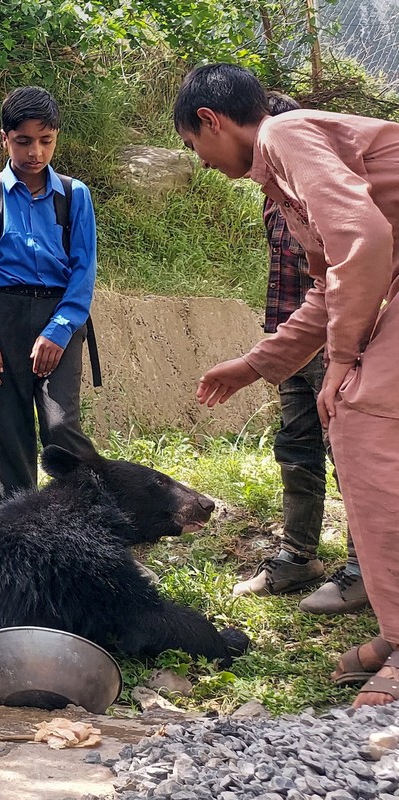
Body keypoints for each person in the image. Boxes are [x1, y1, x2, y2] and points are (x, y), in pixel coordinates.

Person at [175, 63, 399, 707]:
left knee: (360, 417)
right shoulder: (281, 181)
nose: (205, 162)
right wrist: (253, 365)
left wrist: (342, 362)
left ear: (211, 122)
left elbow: (365, 237)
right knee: (362, 418)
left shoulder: (286, 133)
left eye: (196, 146)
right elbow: (331, 287)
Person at [231, 91, 367, 615]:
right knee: (296, 444)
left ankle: (362, 570)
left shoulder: (324, 186)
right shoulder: (275, 194)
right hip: (289, 334)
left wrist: (343, 349)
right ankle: (297, 556)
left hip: (337, 339)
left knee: (348, 452)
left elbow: (352, 267)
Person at [0, 86, 98, 502]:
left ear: (56, 138)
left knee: (61, 425)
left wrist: (59, 330)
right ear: (5, 138)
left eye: (45, 141)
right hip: (2, 319)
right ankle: (14, 531)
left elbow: (83, 270)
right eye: (23, 141)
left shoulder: (75, 196)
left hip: (59, 316)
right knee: (8, 432)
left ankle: (94, 511)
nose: (35, 152)